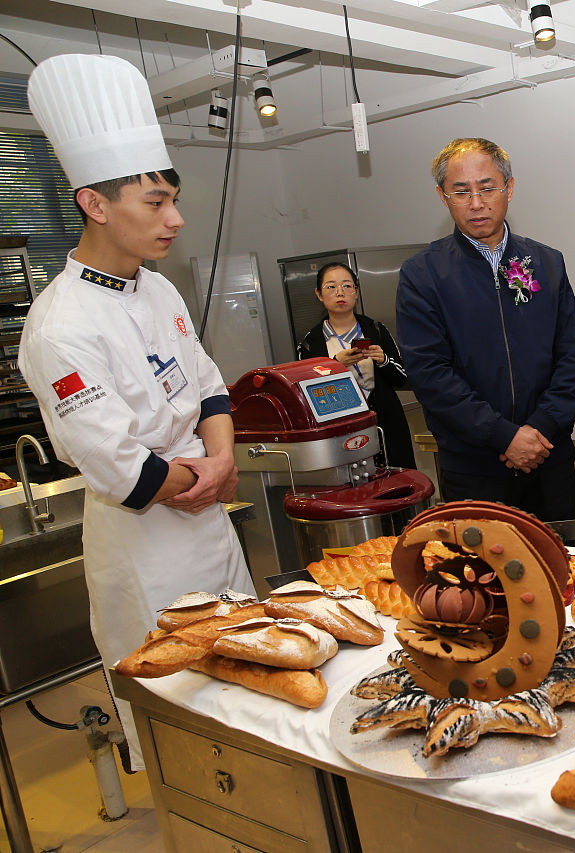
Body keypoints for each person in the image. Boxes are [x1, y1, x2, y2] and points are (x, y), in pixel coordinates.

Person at [19, 54, 254, 767]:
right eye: (155, 203)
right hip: (144, 541)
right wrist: (204, 478)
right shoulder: (60, 326)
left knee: (254, 677)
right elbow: (125, 468)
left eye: (172, 199)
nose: (175, 218)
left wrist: (221, 460)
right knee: (183, 719)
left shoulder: (157, 289)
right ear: (95, 204)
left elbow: (209, 386)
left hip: (209, 520)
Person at [396, 138, 575, 522]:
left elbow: (573, 352)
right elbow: (430, 373)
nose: (476, 203)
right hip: (474, 468)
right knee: (481, 562)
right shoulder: (423, 274)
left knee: (559, 558)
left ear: (509, 188)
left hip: (548, 457)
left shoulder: (546, 262)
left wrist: (541, 428)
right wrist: (504, 436)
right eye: (461, 192)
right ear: (442, 197)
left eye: (487, 188)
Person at [297, 262, 416, 470]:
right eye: (331, 287)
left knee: (395, 480)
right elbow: (303, 394)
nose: (340, 292)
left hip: (385, 423)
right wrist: (335, 365)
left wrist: (383, 360)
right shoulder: (311, 342)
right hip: (339, 429)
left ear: (356, 291)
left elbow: (403, 377)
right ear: (319, 294)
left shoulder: (376, 330)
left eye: (347, 286)